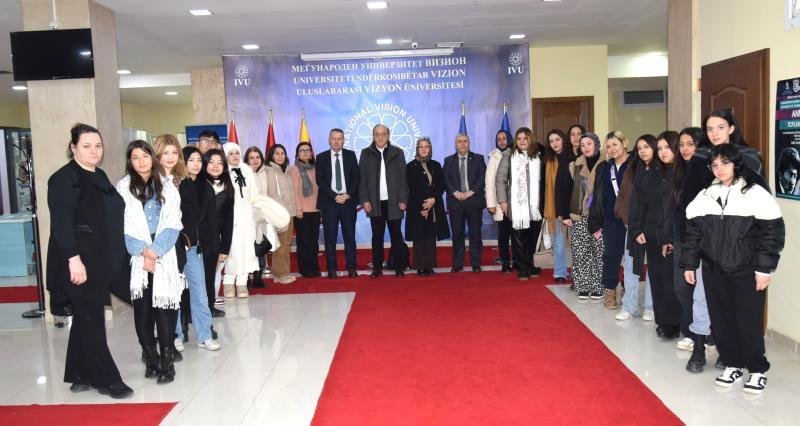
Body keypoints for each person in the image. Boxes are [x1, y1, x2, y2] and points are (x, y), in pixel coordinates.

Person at [681, 143, 785, 395]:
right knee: (721, 321)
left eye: (725, 163)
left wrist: (764, 269)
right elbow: (693, 233)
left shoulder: (756, 193)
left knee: (748, 322)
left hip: (746, 270)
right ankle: (733, 364)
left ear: (737, 164)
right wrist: (689, 263)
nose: (719, 169)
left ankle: (757, 370)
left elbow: (772, 233)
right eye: (715, 165)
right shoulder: (706, 194)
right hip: (713, 269)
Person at [47, 123, 132, 398]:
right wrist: (73, 259)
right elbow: (61, 224)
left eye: (98, 145)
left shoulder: (99, 175)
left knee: (86, 317)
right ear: (73, 148)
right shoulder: (63, 179)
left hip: (102, 260)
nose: (94, 151)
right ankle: (107, 380)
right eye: (86, 146)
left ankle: (79, 374)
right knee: (91, 319)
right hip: (79, 262)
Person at [679, 111, 767, 372]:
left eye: (720, 127)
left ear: (731, 128)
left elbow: (762, 204)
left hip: (741, 245)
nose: (714, 133)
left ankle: (730, 352)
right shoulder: (700, 158)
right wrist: (691, 244)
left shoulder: (749, 157)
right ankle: (699, 346)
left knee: (736, 303)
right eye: (709, 129)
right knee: (702, 297)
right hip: (708, 242)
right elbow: (688, 202)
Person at [117, 140, 183, 385]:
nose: (141, 161)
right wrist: (143, 252)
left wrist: (155, 252)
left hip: (164, 252)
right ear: (130, 161)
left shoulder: (167, 185)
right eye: (135, 157)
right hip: (137, 255)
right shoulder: (123, 187)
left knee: (163, 308)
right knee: (143, 309)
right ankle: (151, 357)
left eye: (145, 156)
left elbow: (174, 222)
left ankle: (167, 361)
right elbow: (121, 225)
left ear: (152, 158)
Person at [154, 136, 220, 353]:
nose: (171, 157)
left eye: (174, 153)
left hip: (191, 247)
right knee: (174, 293)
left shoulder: (189, 183)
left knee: (200, 292)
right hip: (168, 247)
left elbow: (196, 217)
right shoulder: (161, 183)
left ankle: (204, 335)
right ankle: (176, 336)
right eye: (166, 153)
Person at [629, 131, 681, 339]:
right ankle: (663, 321)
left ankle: (672, 323)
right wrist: (636, 229)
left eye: (667, 147)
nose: (663, 152)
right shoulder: (651, 173)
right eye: (660, 148)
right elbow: (638, 203)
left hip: (674, 237)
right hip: (652, 235)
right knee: (657, 280)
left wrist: (673, 237)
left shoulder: (682, 174)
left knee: (670, 282)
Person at [613, 134, 654, 322]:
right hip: (634, 224)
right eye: (640, 148)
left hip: (655, 227)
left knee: (653, 268)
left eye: (647, 147)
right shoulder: (633, 168)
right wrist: (623, 215)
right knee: (630, 266)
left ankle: (650, 307)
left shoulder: (662, 169)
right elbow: (623, 195)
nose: (643, 151)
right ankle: (629, 306)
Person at [359, 124, 409, 277]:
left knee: (396, 236)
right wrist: (365, 200)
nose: (380, 137)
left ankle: (399, 267)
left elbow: (403, 178)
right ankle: (377, 267)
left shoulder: (397, 152)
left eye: (383, 134)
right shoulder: (366, 153)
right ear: (373, 136)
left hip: (394, 202)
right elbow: (362, 180)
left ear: (388, 135)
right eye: (377, 134)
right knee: (377, 236)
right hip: (375, 203)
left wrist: (403, 199)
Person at [589, 131, 632, 309]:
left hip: (632, 219)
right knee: (610, 257)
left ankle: (629, 291)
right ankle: (610, 292)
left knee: (631, 258)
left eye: (615, 144)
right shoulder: (604, 168)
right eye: (608, 146)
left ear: (624, 143)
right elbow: (598, 195)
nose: (612, 149)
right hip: (611, 219)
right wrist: (596, 220)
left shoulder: (635, 164)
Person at [496, 127, 545, 280]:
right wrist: (503, 201)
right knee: (519, 237)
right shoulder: (508, 155)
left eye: (525, 138)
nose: (522, 141)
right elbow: (500, 179)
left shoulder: (540, 156)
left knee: (533, 237)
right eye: (519, 139)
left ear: (531, 139)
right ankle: (523, 267)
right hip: (517, 206)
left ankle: (530, 264)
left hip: (535, 206)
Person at [561, 132, 603, 299]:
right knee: (580, 252)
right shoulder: (574, 165)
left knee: (599, 252)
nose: (585, 147)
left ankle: (599, 286)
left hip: (600, 216)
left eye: (589, 144)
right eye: (583, 145)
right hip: (579, 215)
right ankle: (583, 286)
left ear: (596, 144)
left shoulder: (606, 164)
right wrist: (565, 214)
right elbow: (565, 191)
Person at [316, 128, 360, 278]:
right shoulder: (321, 157)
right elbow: (320, 180)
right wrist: (334, 196)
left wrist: (348, 194)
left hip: (348, 202)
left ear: (343, 140)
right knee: (330, 237)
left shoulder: (351, 155)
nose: (336, 141)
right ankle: (331, 269)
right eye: (333, 138)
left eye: (339, 138)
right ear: (329, 140)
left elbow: (356, 178)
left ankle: (351, 267)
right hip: (329, 203)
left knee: (350, 236)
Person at [405, 137, 450, 275]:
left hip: (434, 206)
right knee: (419, 236)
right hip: (417, 206)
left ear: (430, 149)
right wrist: (423, 206)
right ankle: (419, 266)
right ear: (417, 149)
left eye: (427, 146)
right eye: (421, 147)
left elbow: (442, 184)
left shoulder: (436, 165)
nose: (424, 149)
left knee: (430, 236)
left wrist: (434, 199)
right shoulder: (410, 166)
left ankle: (429, 265)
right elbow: (411, 188)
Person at [443, 132, 486, 272]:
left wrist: (471, 192)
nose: (462, 143)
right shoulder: (448, 161)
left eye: (465, 141)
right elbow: (445, 180)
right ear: (455, 145)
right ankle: (457, 264)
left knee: (475, 234)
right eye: (459, 141)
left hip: (474, 201)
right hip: (456, 202)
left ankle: (476, 263)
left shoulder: (478, 159)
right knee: (457, 234)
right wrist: (455, 193)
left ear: (469, 143)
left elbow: (482, 177)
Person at [222, 141, 261, 295]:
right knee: (232, 250)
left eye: (237, 153)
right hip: (230, 216)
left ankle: (242, 283)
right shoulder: (222, 172)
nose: (234, 156)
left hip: (247, 216)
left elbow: (254, 194)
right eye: (230, 153)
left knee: (247, 249)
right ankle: (228, 282)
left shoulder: (247, 171)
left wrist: (257, 212)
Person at [201, 149, 233, 317]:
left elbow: (228, 220)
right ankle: (196, 310)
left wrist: (225, 248)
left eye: (220, 163)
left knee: (210, 275)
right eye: (211, 162)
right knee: (197, 277)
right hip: (198, 240)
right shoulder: (199, 184)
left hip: (214, 241)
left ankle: (209, 307)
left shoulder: (227, 187)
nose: (216, 166)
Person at [260, 143, 297, 284]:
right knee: (280, 246)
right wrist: (284, 212)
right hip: (281, 215)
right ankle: (280, 274)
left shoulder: (283, 171)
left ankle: (284, 272)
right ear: (271, 156)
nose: (280, 156)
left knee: (286, 245)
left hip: (289, 214)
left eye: (282, 153)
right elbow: (273, 194)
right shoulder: (270, 171)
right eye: (277, 153)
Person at [485, 129, 518, 273]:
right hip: (501, 204)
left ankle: (517, 262)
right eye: (499, 139)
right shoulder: (494, 157)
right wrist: (491, 204)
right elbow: (490, 183)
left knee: (517, 235)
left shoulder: (517, 154)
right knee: (504, 235)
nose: (502, 141)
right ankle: (505, 264)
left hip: (517, 203)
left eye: (505, 138)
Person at [543, 129, 573, 282]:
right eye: (551, 141)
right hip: (556, 206)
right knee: (559, 241)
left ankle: (578, 272)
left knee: (577, 243)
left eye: (557, 139)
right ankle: (560, 272)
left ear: (563, 140)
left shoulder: (573, 157)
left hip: (574, 206)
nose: (554, 143)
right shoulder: (548, 161)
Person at [288, 142, 322, 277]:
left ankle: (314, 267)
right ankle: (305, 269)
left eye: (307, 150)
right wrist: (298, 208)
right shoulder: (294, 170)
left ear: (311, 153)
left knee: (313, 241)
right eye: (302, 151)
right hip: (302, 211)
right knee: (304, 242)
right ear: (297, 155)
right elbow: (294, 192)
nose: (305, 152)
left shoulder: (316, 168)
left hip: (315, 210)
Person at [245, 146, 270, 287]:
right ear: (246, 160)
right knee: (248, 248)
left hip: (263, 216)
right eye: (251, 158)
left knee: (260, 246)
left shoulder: (265, 173)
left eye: (257, 157)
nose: (255, 160)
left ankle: (258, 277)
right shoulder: (243, 174)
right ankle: (246, 278)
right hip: (248, 217)